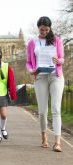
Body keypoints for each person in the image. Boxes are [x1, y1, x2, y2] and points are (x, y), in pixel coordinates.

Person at [26, 16, 64, 152]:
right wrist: (31, 70)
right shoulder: (32, 42)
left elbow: (62, 59)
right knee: (42, 111)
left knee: (56, 109)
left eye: (47, 30)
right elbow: (29, 61)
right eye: (42, 30)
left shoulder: (57, 40)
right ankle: (44, 137)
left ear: (50, 28)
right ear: (38, 28)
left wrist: (57, 60)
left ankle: (58, 142)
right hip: (40, 77)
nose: (44, 32)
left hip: (55, 76)